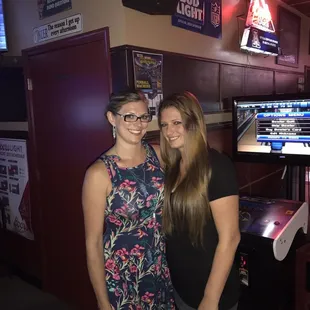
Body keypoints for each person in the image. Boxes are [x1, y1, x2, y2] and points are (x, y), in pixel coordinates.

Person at [82, 90, 175, 310]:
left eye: (143, 116)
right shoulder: (99, 173)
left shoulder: (158, 155)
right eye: (129, 116)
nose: (138, 123)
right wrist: (102, 301)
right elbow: (93, 241)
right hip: (123, 276)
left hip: (160, 267)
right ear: (111, 118)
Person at [157, 92, 240, 310]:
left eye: (177, 123)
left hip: (211, 292)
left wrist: (211, 298)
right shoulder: (174, 167)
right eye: (164, 124)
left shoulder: (217, 166)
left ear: (194, 123)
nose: (168, 131)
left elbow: (230, 238)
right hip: (181, 287)